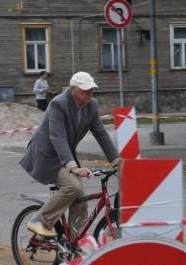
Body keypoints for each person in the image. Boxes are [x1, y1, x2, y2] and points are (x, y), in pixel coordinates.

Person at [19, 71, 120, 238]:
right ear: (74, 90)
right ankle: (39, 220)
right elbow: (57, 137)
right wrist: (73, 167)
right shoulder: (58, 104)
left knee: (80, 201)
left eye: (92, 90)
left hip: (65, 155)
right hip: (47, 156)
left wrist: (116, 160)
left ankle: (75, 244)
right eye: (86, 91)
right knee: (72, 186)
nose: (90, 93)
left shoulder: (91, 105)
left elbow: (101, 133)